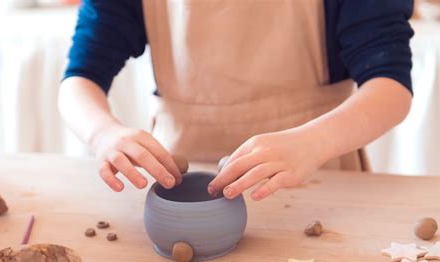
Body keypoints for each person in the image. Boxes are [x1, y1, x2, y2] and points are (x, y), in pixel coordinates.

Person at [59, 0, 414, 201]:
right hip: (180, 180)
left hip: (318, 180)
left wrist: (312, 142)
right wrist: (102, 134)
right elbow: (79, 79)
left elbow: (390, 86)